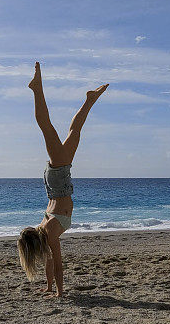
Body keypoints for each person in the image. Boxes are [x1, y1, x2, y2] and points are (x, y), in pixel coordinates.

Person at [17, 61, 108, 297]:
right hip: (56, 183)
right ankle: (89, 100)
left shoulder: (49, 232)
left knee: (47, 127)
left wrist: (60, 292)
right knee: (74, 132)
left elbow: (59, 264)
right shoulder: (46, 232)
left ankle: (37, 88)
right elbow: (51, 262)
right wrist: (49, 288)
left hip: (58, 182)